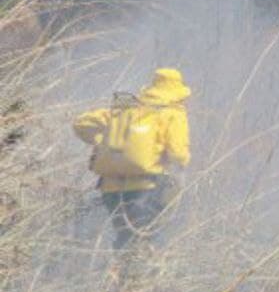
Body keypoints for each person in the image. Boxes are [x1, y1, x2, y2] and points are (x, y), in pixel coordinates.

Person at [72, 68, 191, 251]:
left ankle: (120, 274)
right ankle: (137, 277)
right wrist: (182, 165)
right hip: (146, 187)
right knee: (144, 239)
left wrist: (101, 141)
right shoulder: (172, 112)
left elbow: (80, 123)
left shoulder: (124, 110)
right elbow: (178, 153)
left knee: (125, 237)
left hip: (110, 188)